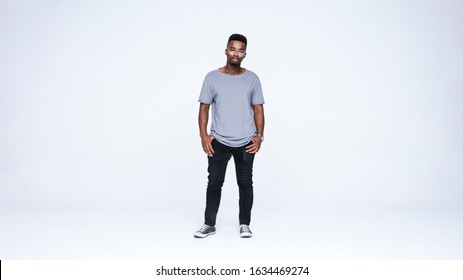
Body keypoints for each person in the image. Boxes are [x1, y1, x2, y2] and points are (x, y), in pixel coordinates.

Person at [194, 34, 265, 238]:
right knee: (214, 183)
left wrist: (259, 136)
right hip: (219, 141)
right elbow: (204, 108)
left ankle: (244, 224)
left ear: (245, 54)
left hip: (245, 141)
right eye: (232, 49)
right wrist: (203, 136)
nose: (236, 53)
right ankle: (209, 224)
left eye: (240, 50)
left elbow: (258, 109)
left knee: (245, 183)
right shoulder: (211, 78)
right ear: (226, 50)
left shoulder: (252, 79)